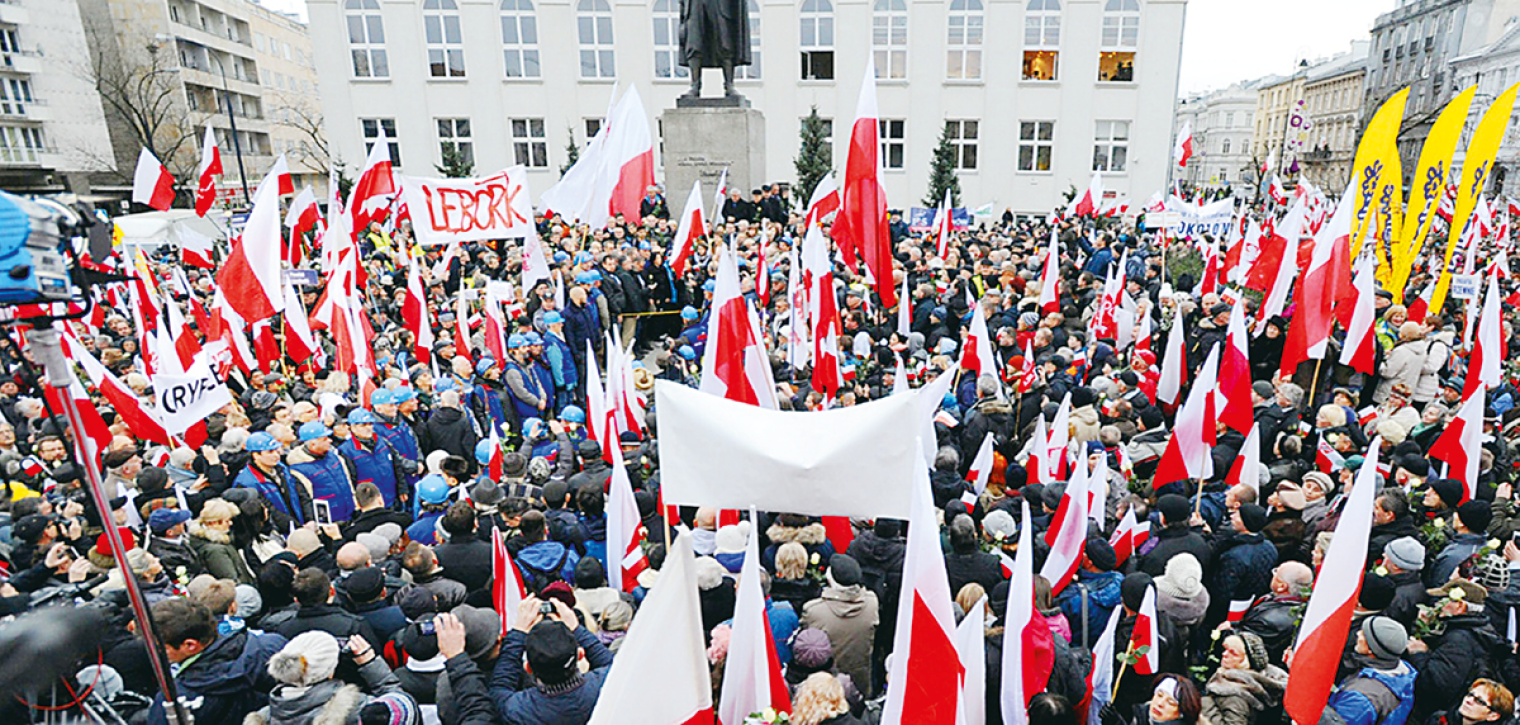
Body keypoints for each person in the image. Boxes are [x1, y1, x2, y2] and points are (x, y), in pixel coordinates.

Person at [145, 597, 287, 725]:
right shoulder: (273, 644)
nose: (155, 653)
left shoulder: (174, 700)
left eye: (160, 647)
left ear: (190, 645)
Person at [490, 596, 615, 724]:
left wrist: (518, 632)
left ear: (528, 668)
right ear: (580, 654)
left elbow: (499, 688)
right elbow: (617, 665)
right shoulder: (608, 683)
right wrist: (577, 629)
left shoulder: (519, 710)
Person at [1201, 632, 1288, 725]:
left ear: (1246, 660)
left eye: (1233, 653)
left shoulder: (1233, 690)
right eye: (1225, 649)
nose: (1224, 654)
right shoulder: (1265, 680)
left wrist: (1205, 705)